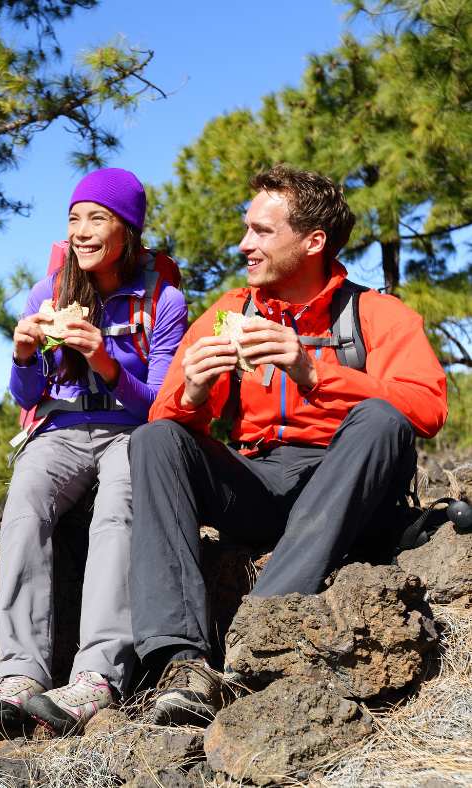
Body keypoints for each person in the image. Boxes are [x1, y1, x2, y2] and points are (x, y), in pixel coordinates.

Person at [128, 164, 448, 727]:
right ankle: (182, 663)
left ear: (313, 241)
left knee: (381, 417)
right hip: (260, 481)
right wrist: (195, 390)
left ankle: (259, 630)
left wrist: (313, 372)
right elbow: (167, 419)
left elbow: (426, 409)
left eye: (261, 231)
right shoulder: (232, 311)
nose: (243, 243)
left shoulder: (377, 314)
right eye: (246, 228)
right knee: (156, 438)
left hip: (347, 489)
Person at [0, 168, 188, 735]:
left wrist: (105, 362)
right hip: (60, 431)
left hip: (127, 431)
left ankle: (97, 676)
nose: (82, 232)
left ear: (128, 230)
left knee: (117, 512)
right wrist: (21, 356)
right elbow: (27, 396)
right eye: (74, 219)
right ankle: (18, 674)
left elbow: (159, 405)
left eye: (97, 218)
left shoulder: (163, 301)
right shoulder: (48, 294)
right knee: (24, 505)